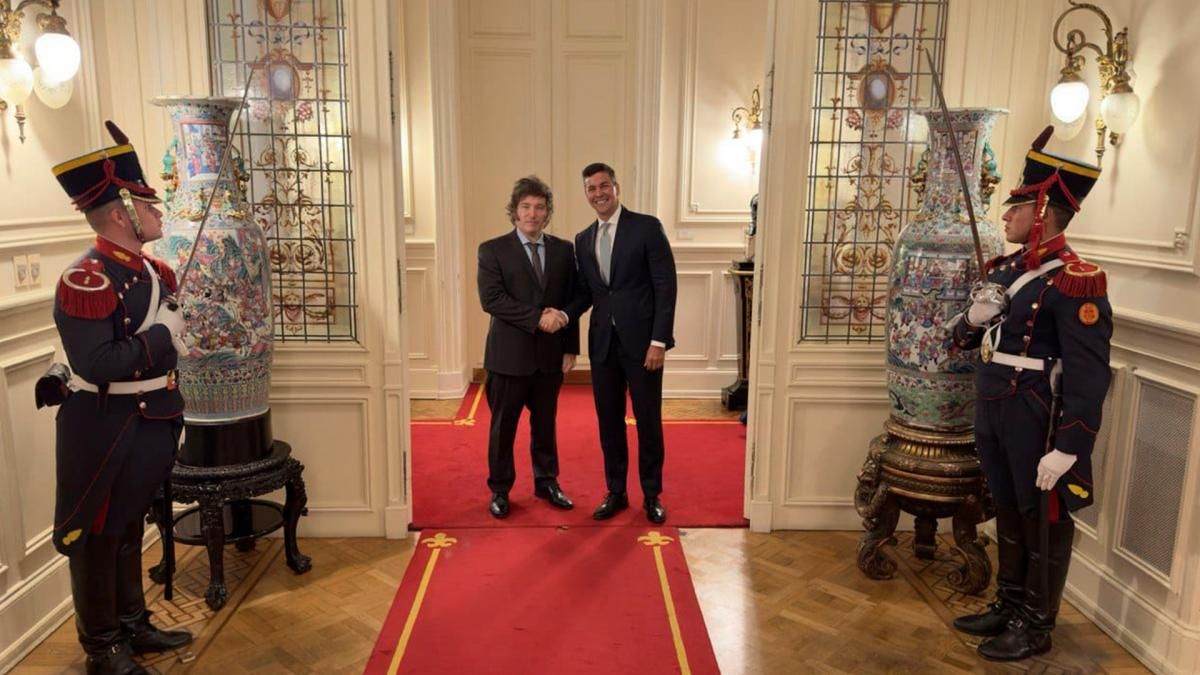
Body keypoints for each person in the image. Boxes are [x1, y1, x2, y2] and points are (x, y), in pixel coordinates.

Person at [950, 126, 1112, 661]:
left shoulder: (1076, 280)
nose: (1005, 216)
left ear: (1042, 211)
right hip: (995, 405)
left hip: (1035, 412)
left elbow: (1089, 375)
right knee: (1008, 508)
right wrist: (973, 318)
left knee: (1041, 516)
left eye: (1015, 208)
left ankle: (1037, 624)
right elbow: (964, 340)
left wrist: (1069, 447)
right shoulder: (1008, 271)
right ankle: (1010, 602)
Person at [47, 122, 194, 674]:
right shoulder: (85, 279)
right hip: (106, 425)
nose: (156, 212)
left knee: (130, 524)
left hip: (151, 417)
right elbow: (99, 364)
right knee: (98, 534)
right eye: (146, 204)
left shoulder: (153, 272)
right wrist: (161, 335)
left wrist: (169, 337)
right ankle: (102, 646)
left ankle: (132, 623)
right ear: (119, 215)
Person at [566, 163, 677, 524]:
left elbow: (665, 286)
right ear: (586, 194)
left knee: (648, 420)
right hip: (603, 346)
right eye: (591, 188)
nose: (598, 193)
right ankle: (616, 491)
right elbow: (587, 293)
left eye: (604, 186)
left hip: (644, 346)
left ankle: (652, 494)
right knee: (609, 422)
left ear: (616, 187)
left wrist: (659, 340)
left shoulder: (646, 227)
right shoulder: (583, 239)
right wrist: (563, 315)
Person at [477, 176, 580, 519]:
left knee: (546, 425)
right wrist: (538, 318)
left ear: (548, 212)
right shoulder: (492, 250)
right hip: (508, 357)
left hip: (550, 357)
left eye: (539, 207)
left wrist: (570, 345)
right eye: (525, 207)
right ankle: (500, 489)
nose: (532, 213)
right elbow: (492, 299)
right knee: (503, 428)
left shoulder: (564, 250)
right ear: (514, 211)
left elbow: (571, 299)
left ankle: (547, 482)